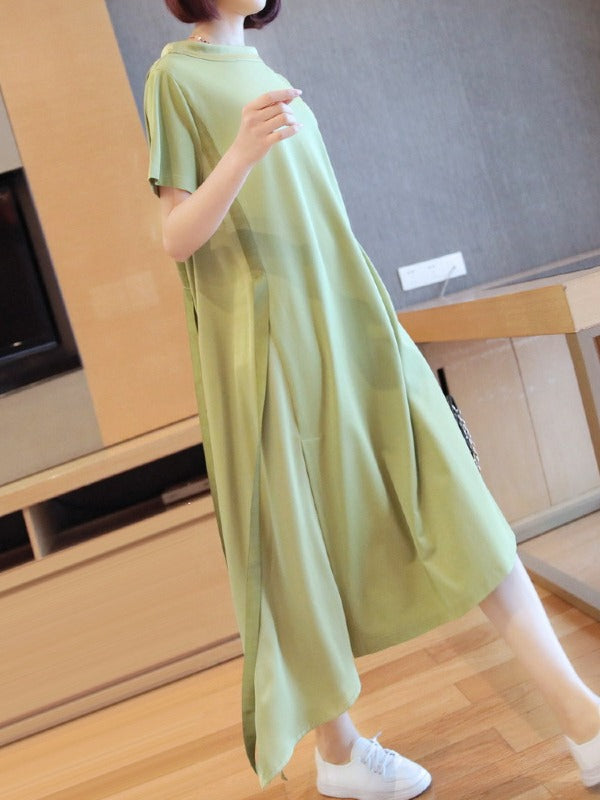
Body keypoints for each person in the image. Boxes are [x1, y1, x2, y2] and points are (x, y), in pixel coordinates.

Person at [143, 2, 600, 797]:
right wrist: (241, 153)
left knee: (460, 504)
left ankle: (583, 719)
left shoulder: (263, 70)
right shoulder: (174, 76)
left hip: (351, 323)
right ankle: (340, 751)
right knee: (297, 541)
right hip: (274, 350)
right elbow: (176, 236)